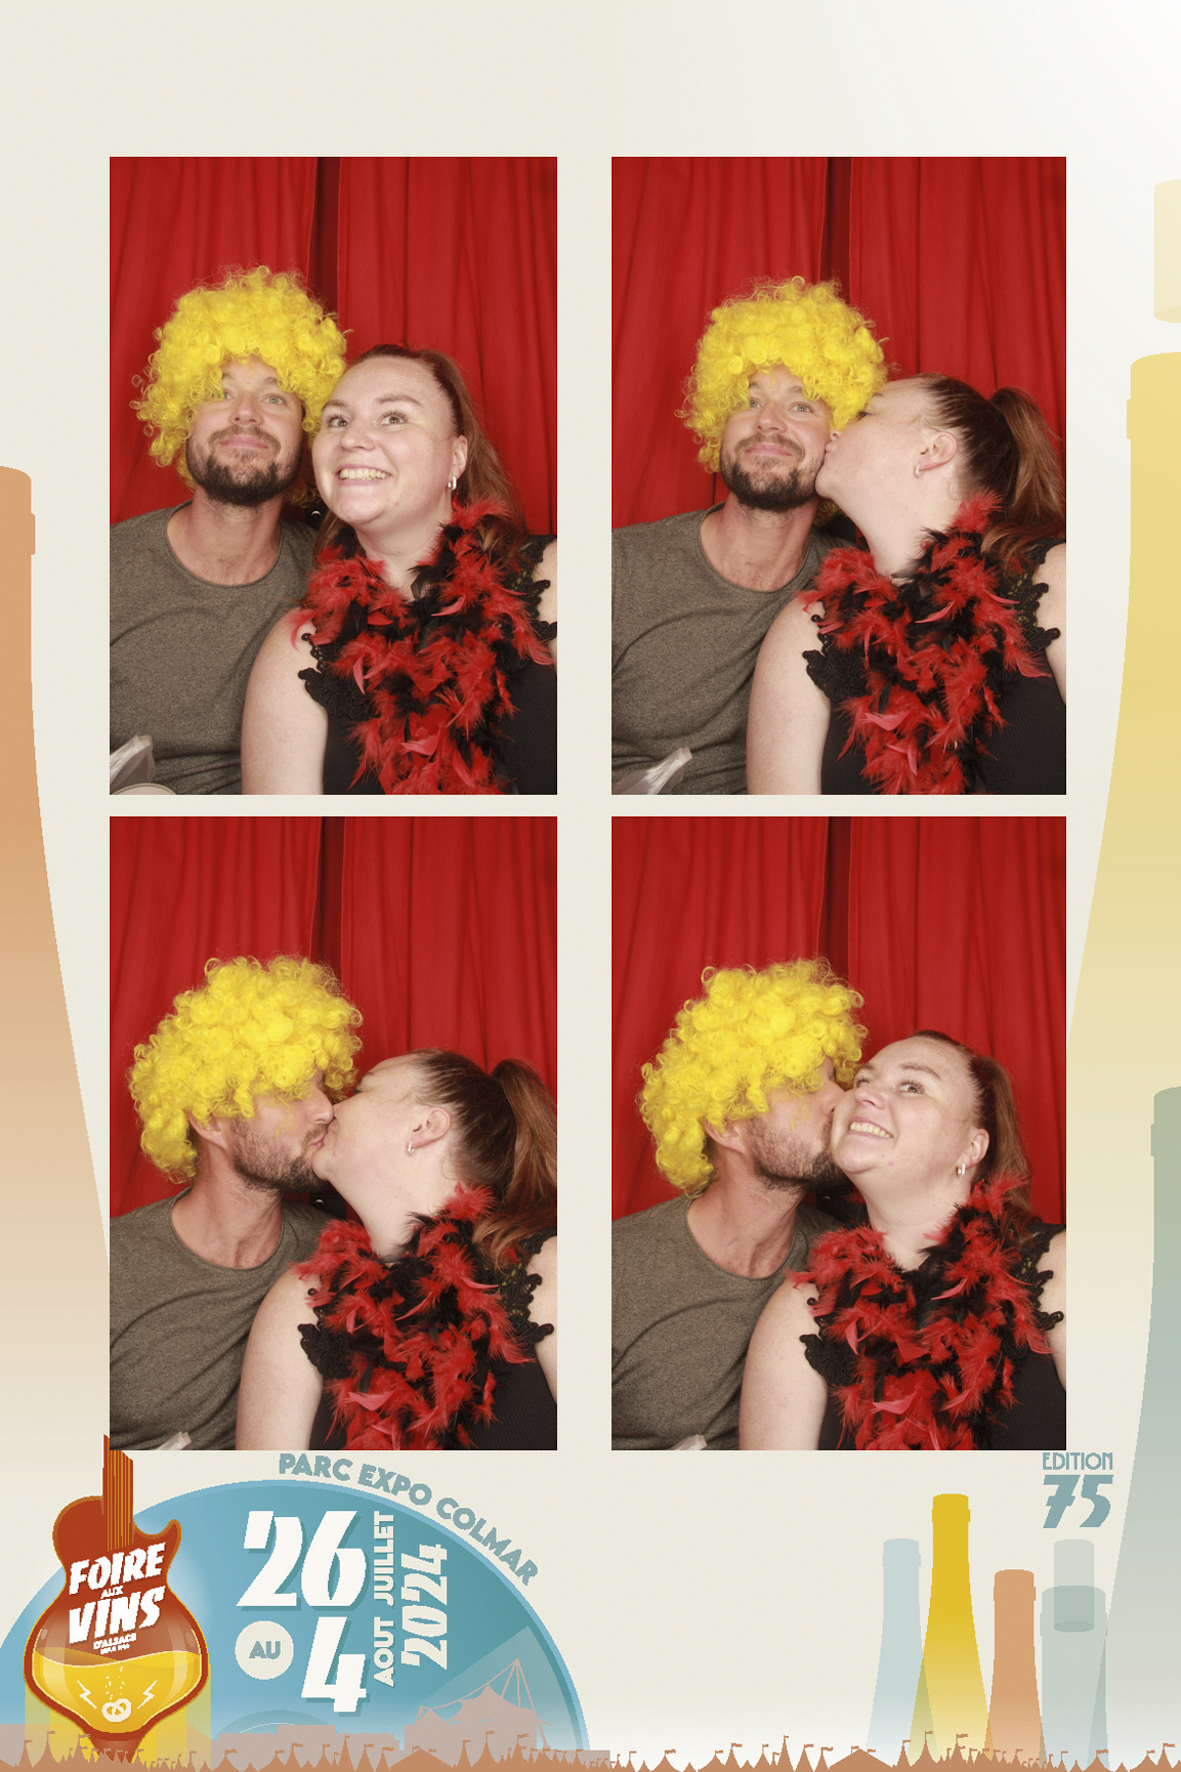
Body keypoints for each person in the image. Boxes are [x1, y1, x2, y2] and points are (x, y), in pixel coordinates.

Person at [241, 345, 557, 795]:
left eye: (393, 417)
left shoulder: (553, 578)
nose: (351, 438)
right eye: (337, 420)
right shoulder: (296, 651)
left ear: (456, 457)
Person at [612, 278, 886, 794]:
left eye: (801, 406)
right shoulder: (617, 568)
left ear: (839, 438)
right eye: (748, 400)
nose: (768, 423)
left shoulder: (859, 590)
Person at [740, 1032, 1066, 1450]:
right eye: (862, 1081)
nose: (862, 1094)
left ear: (971, 1147)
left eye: (912, 1086)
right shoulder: (802, 1310)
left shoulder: (1059, 1267)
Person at [748, 375, 1067, 794]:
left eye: (864, 413)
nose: (836, 430)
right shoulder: (807, 627)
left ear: (933, 450)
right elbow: (784, 823)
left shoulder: (1056, 577)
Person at [237, 1050, 557, 1450]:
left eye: (359, 1091)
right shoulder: (301, 1300)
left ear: (425, 1126)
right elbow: (267, 1486)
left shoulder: (545, 1269)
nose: (330, 1109)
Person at [111, 267, 348, 794]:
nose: (245, 415)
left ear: (307, 431)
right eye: (219, 393)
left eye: (275, 398)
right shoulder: (97, 572)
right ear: (182, 419)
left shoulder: (340, 576)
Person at [110, 956, 362, 1450]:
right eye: (290, 1091)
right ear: (210, 1120)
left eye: (320, 1086)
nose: (325, 1109)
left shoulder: (340, 1256)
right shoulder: (108, 1266)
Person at [612, 961, 865, 1450]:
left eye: (836, 1079)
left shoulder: (849, 1261)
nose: (842, 1099)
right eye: (804, 1084)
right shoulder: (611, 1270)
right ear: (726, 1125)